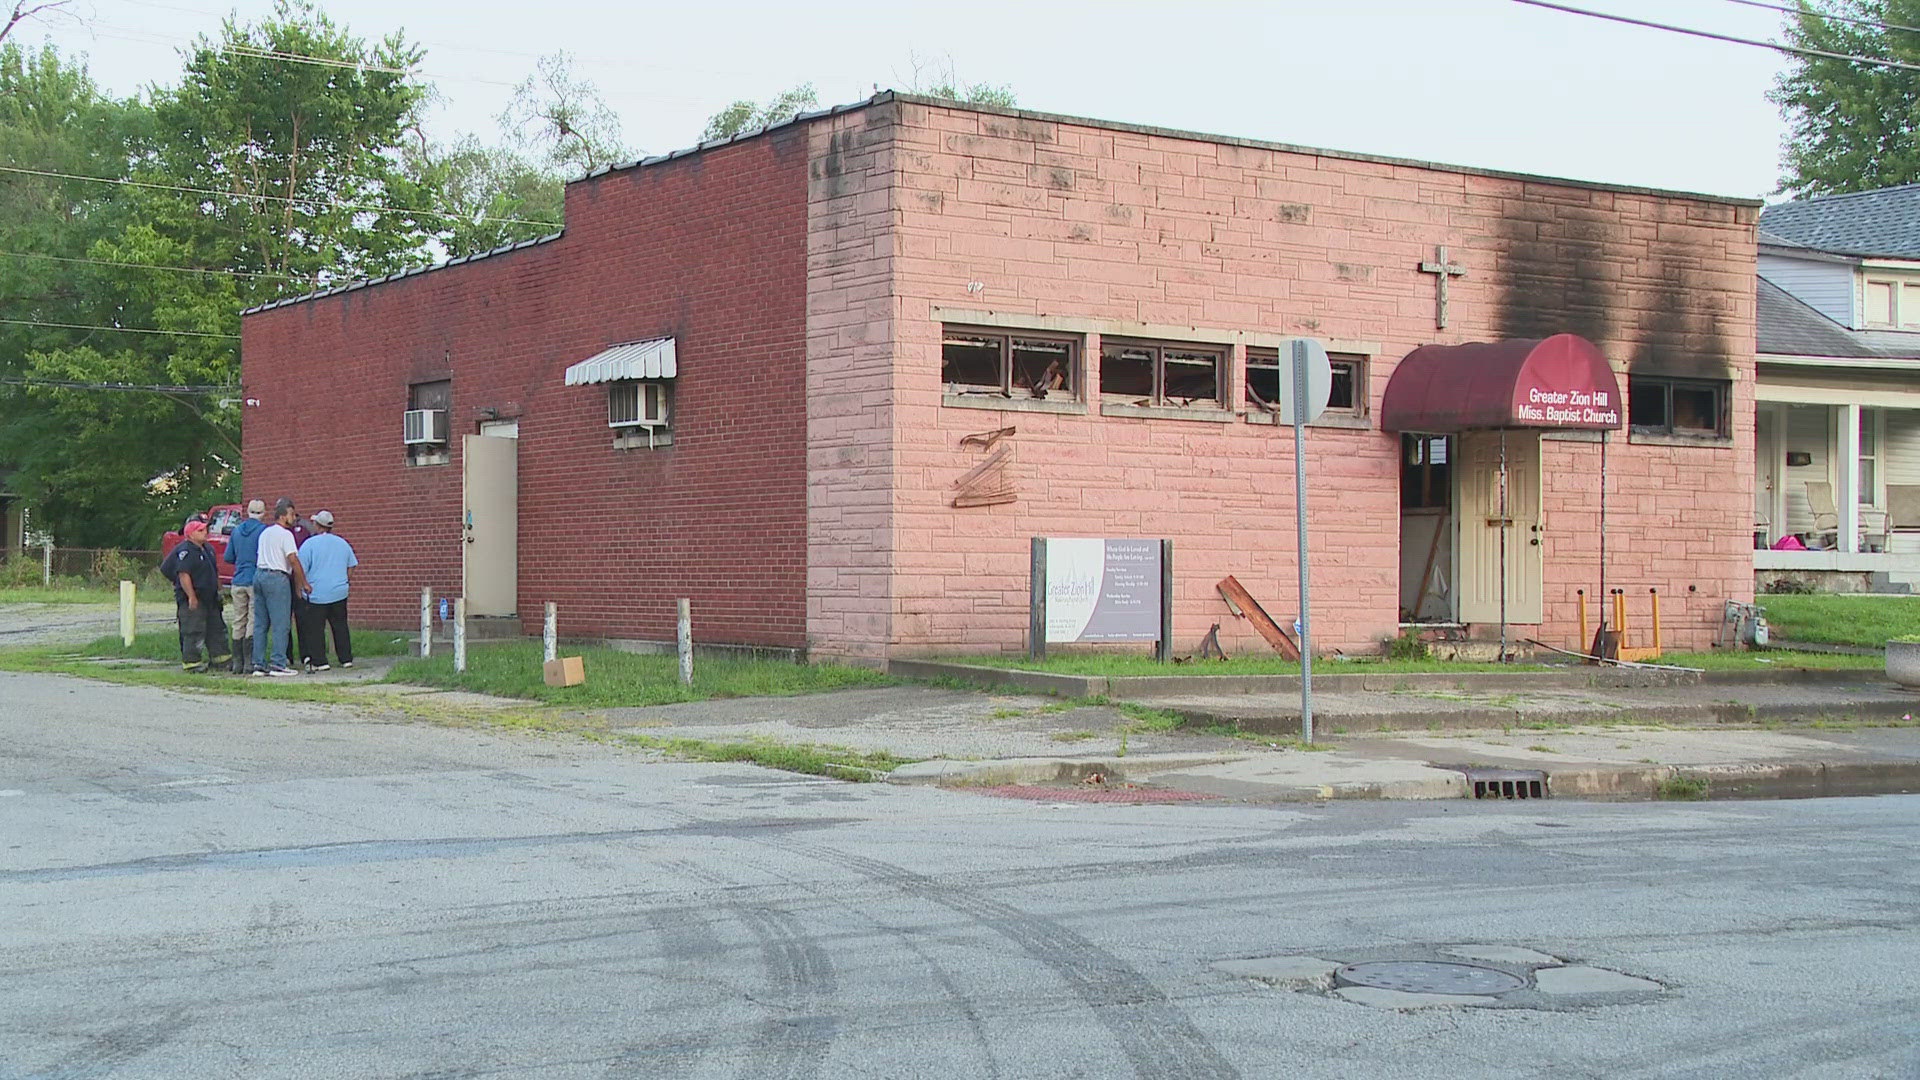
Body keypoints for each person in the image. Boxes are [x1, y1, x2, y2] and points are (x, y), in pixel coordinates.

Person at [157, 519, 230, 673]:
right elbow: (184, 575)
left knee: (216, 629)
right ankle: (192, 664)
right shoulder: (186, 551)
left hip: (210, 598)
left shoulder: (207, 548)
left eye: (205, 530)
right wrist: (191, 596)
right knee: (193, 630)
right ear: (190, 534)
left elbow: (213, 570)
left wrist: (219, 589)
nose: (205, 533)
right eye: (201, 530)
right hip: (194, 598)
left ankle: (220, 660)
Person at [251, 498, 311, 677]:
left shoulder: (265, 533)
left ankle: (258, 663)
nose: (294, 518)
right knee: (281, 623)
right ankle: (278, 662)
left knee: (261, 623)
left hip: (259, 574)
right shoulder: (286, 535)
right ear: (283, 516)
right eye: (292, 514)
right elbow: (293, 559)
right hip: (277, 577)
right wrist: (303, 583)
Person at [296, 509, 359, 671]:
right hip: (339, 591)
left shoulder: (309, 544)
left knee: (315, 628)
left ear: (317, 525)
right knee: (340, 626)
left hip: (317, 594)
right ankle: (346, 658)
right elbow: (352, 565)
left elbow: (300, 569)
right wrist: (344, 580)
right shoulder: (342, 543)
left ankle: (320, 661)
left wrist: (302, 586)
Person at [222, 499, 267, 674]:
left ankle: (237, 662)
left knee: (239, 619)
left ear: (247, 512)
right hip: (254, 579)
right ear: (263, 513)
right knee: (253, 619)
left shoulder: (236, 531)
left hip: (238, 580)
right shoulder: (263, 531)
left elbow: (228, 557)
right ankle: (249, 661)